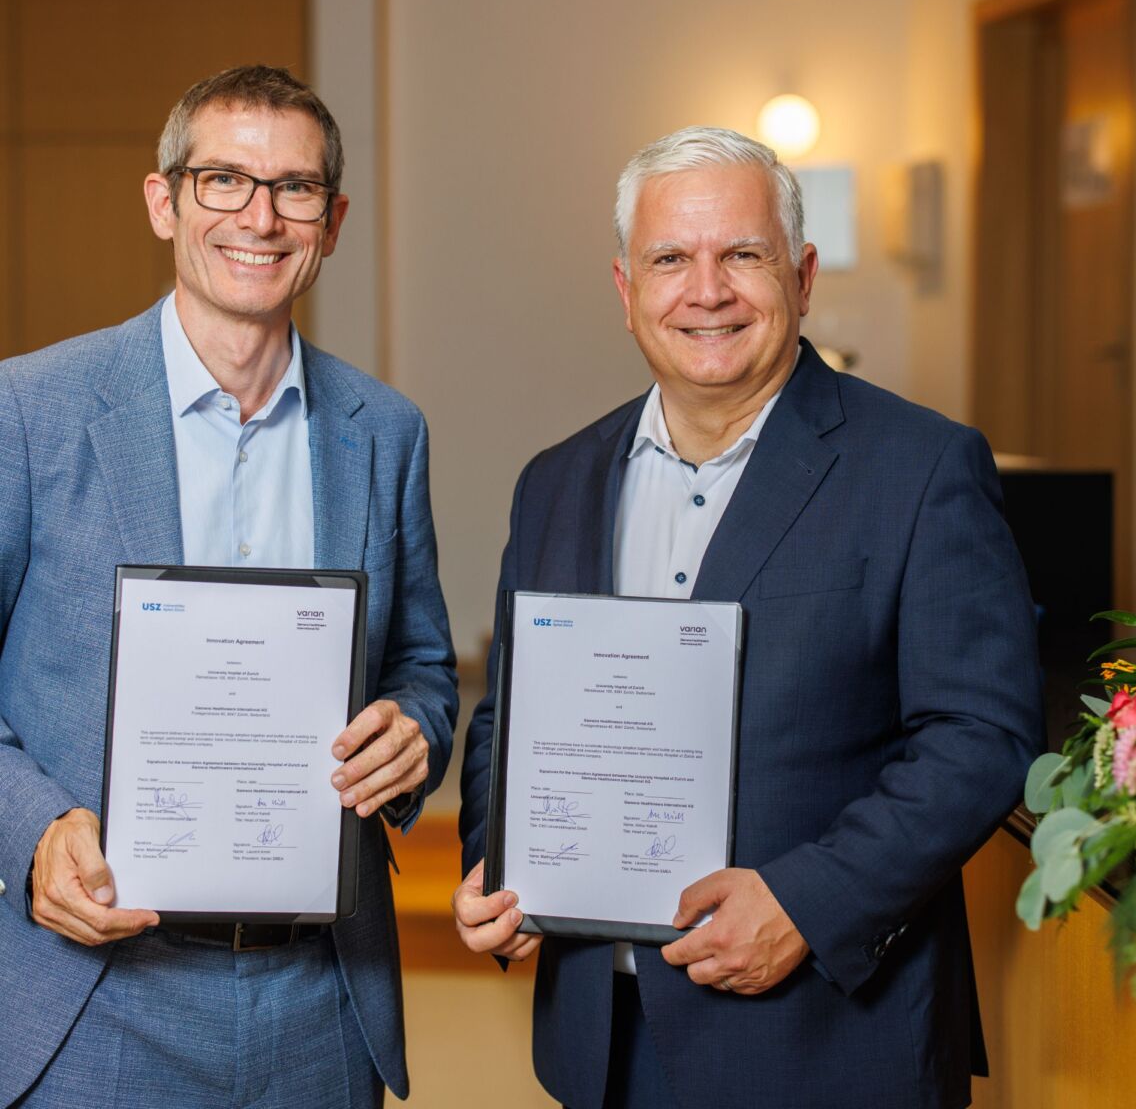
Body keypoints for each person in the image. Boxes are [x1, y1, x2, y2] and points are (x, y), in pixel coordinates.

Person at [454, 127, 1043, 1109]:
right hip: (603, 1039)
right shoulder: (555, 483)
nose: (707, 290)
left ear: (802, 276)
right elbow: (508, 719)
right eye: (671, 259)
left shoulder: (920, 468)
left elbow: (980, 737)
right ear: (625, 288)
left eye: (744, 256)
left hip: (826, 1040)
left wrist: (810, 905)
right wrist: (495, 854)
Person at [0, 65, 456, 1108]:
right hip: (96, 994)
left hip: (319, 1002)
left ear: (331, 222)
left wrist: (416, 732)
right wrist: (30, 832)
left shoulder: (385, 432)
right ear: (164, 201)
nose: (260, 215)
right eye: (223, 181)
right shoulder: (27, 413)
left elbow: (423, 665)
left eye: (295, 188)